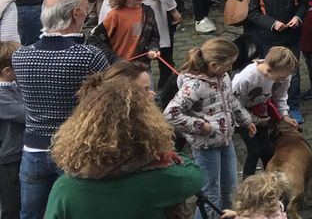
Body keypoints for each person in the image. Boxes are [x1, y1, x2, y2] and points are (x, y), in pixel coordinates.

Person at [45, 75, 203, 218]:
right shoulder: (160, 179)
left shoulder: (65, 189)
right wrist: (169, 155)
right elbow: (195, 177)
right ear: (146, 128)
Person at [12, 0, 110, 218]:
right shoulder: (89, 56)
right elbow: (108, 101)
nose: (86, 14)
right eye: (86, 9)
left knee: (31, 214)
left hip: (33, 149)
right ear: (76, 13)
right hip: (75, 148)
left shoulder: (21, 56)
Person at [232, 47, 298, 176]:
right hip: (241, 115)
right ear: (269, 70)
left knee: (267, 150)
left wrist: (284, 115)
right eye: (281, 77)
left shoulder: (283, 75)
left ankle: (271, 181)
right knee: (255, 151)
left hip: (262, 112)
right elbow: (234, 105)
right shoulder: (246, 78)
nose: (284, 79)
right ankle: (248, 183)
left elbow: (280, 95)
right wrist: (253, 120)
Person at [89, 0, 159, 64]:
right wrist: (114, 59)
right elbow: (95, 40)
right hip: (119, 67)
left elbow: (154, 36)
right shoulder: (115, 15)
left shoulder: (148, 12)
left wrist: (153, 48)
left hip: (142, 65)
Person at [0, 41, 22, 218]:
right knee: (11, 205)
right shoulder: (2, 96)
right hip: (8, 157)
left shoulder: (15, 87)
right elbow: (24, 114)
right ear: (7, 71)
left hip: (17, 154)